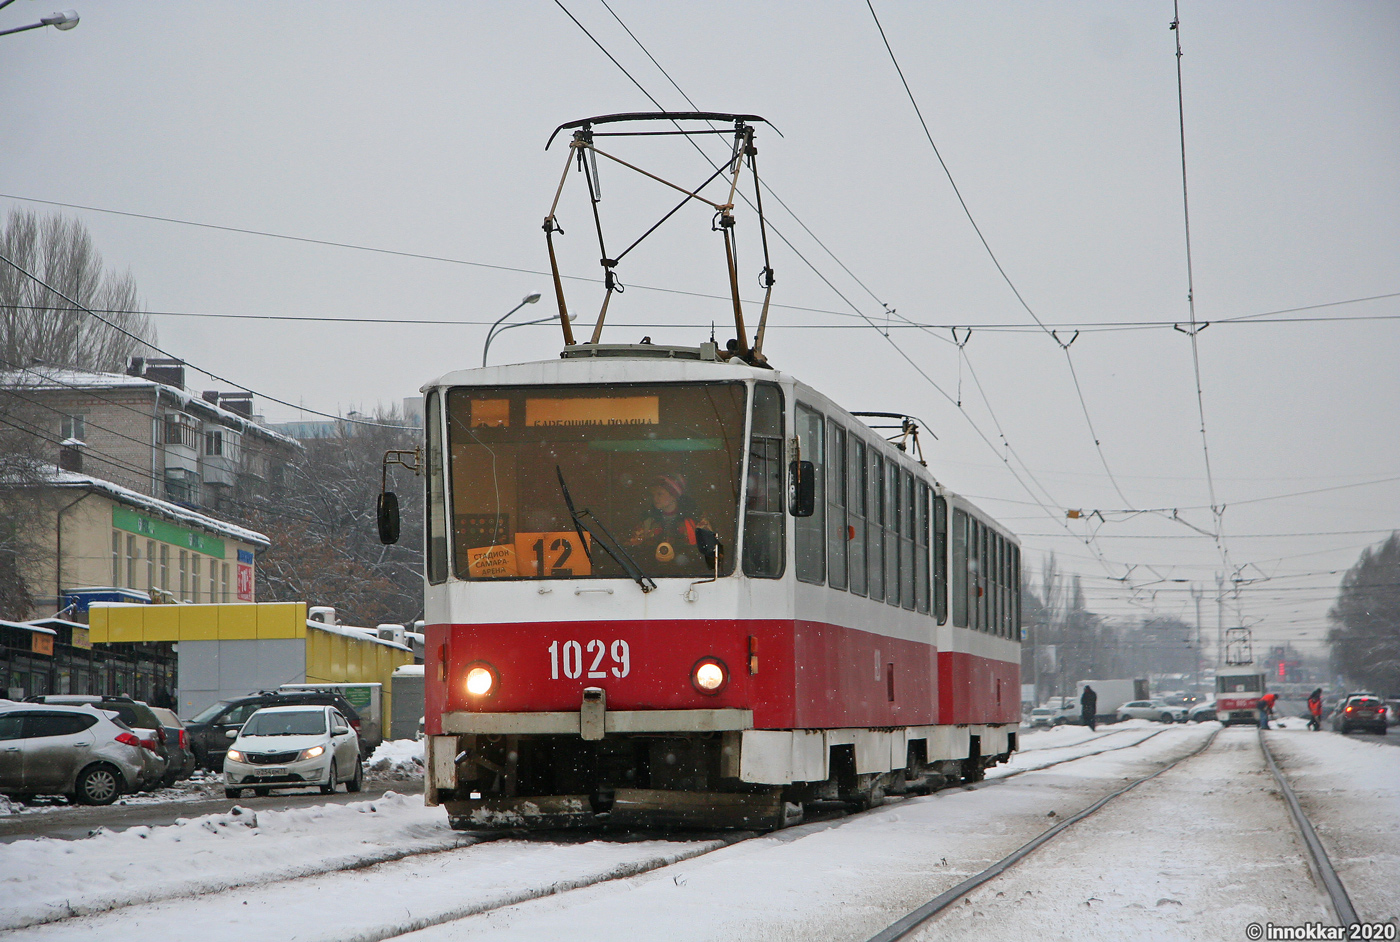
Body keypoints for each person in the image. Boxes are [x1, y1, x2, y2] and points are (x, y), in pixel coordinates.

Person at [629, 473, 712, 566]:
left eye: (659, 494)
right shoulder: (646, 522)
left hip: (688, 571)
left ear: (674, 495)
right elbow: (633, 551)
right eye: (653, 495)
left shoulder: (695, 520)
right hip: (653, 572)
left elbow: (709, 551)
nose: (655, 498)